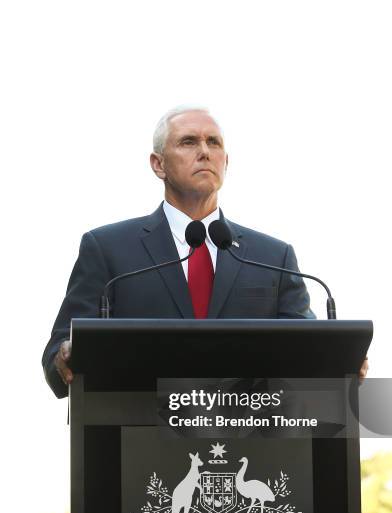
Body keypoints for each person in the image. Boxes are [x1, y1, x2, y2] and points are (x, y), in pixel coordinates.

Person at [42, 106, 368, 398]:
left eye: (214, 143)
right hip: (134, 444)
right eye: (188, 142)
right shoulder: (108, 248)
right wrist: (65, 355)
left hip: (254, 445)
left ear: (226, 162)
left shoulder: (273, 258)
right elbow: (59, 350)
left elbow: (307, 349)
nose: (204, 152)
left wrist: (338, 359)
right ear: (158, 164)